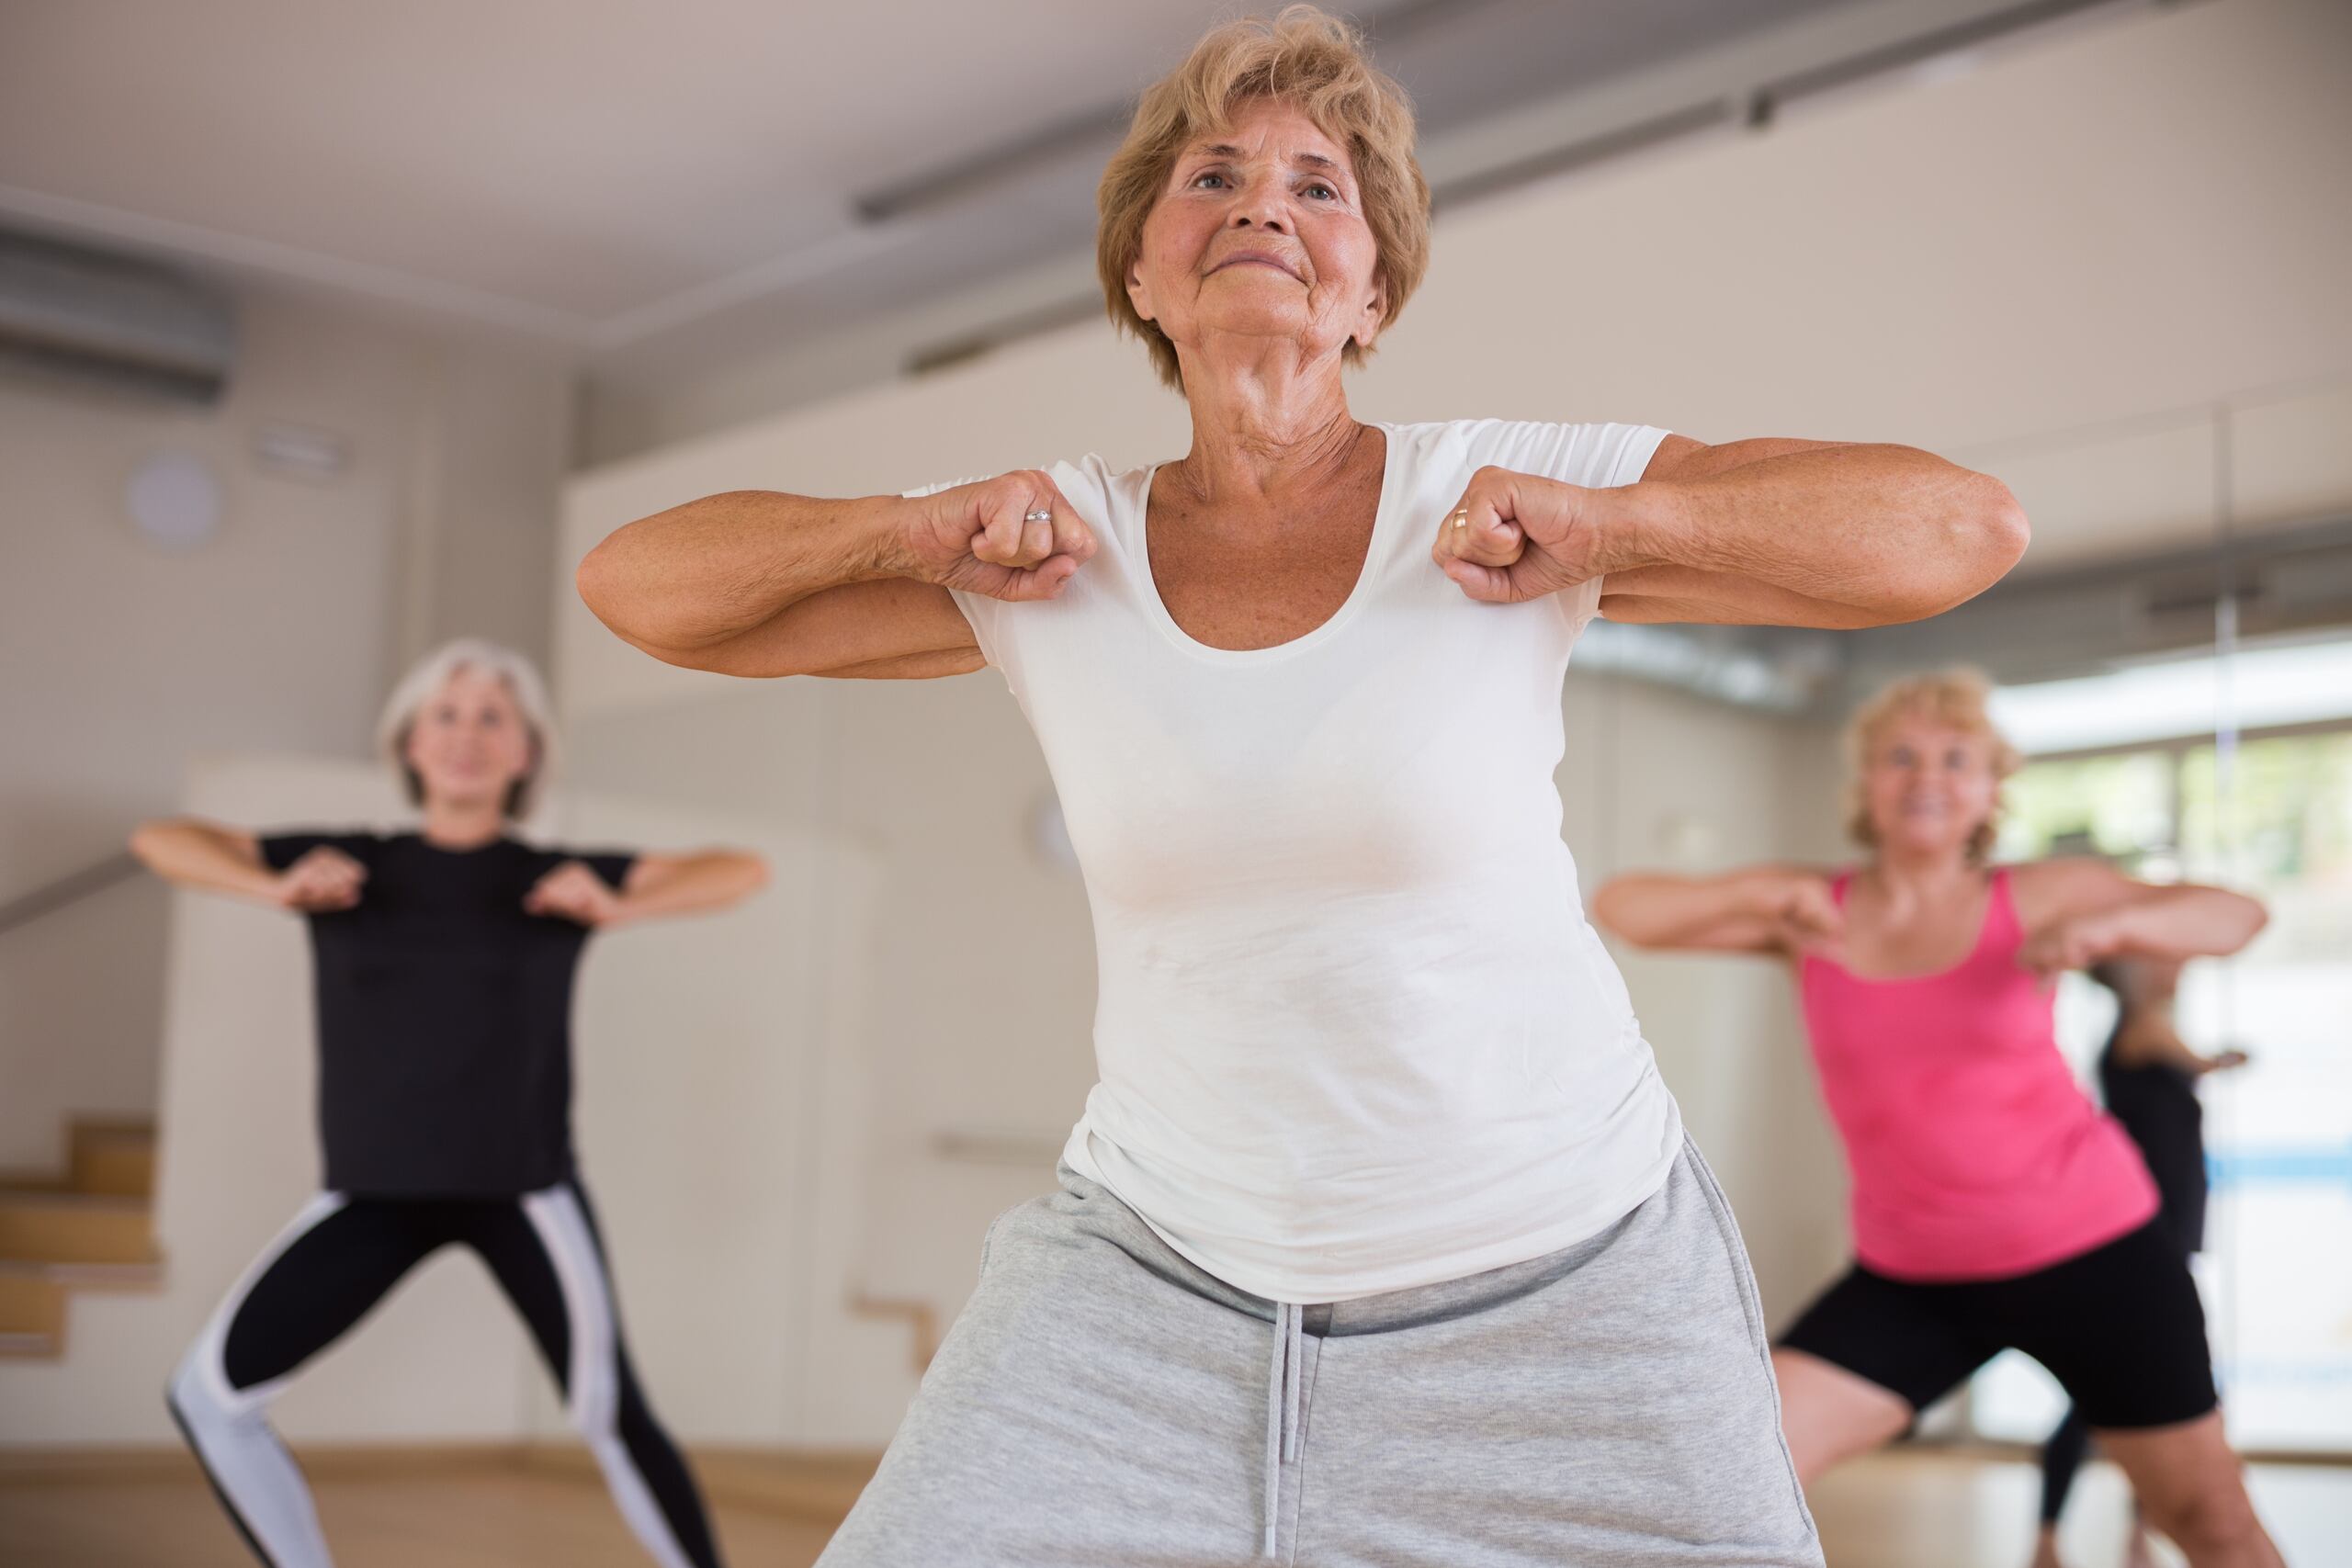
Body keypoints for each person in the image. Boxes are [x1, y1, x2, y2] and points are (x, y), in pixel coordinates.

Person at [574, 9, 2027, 1562]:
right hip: (1149, 1282)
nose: (1265, 203)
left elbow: (1960, 529)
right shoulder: (1044, 546)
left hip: (1569, 1278)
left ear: (1373, 291)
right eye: (1214, 175)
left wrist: (1618, 524)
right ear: (1141, 269)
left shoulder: (1505, 489)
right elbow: (633, 586)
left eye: (1319, 187)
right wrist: (899, 534)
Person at [1593, 670, 2283, 1568]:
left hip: (2094, 1257)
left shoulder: (2037, 895)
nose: (1927, 777)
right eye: (1901, 757)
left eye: (1956, 760)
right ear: (1868, 786)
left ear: (1990, 791)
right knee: (1723, 1474)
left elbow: (2238, 915)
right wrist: (1752, 904)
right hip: (1910, 1278)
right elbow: (1623, 908)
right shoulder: (1814, 911)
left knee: (2209, 1520)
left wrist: (2107, 929)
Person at [131, 638, 765, 1568]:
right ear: (411, 744)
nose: (466, 735)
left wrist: (614, 907)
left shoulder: (550, 878)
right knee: (207, 1397)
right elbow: (163, 840)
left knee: (607, 1413)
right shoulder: (346, 865)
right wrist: (273, 888)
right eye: (446, 714)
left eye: (491, 718)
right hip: (372, 1194)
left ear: (525, 754)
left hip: (525, 1193)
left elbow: (740, 867)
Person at [2032, 953, 2246, 1568]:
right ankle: (2052, 1535)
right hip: (2140, 1229)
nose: (2175, 968)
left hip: (2165, 1225)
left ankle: (2129, 1534)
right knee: (2121, 1387)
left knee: (2148, 1387)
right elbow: (2207, 1062)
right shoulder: (2146, 1025)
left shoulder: (2145, 1028)